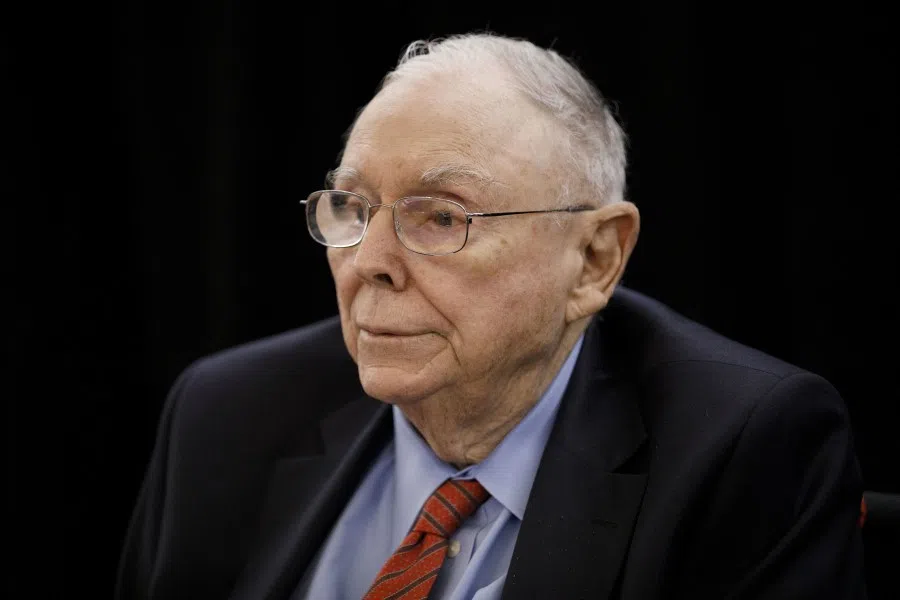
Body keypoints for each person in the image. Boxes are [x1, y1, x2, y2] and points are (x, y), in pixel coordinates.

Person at [115, 33, 867, 599]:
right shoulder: (226, 414)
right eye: (353, 206)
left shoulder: (742, 449)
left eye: (442, 217)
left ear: (595, 259)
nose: (369, 260)